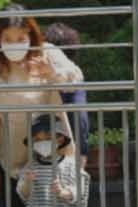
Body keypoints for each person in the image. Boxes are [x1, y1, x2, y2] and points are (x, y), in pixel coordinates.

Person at [0, 6, 81, 207]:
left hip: (55, 159)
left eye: (21, 37)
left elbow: (76, 79)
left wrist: (52, 73)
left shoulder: (47, 53)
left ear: (31, 35)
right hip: (13, 163)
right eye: (8, 38)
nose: (15, 44)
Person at [16, 114, 87, 207]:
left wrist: (63, 192)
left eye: (48, 138)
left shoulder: (70, 165)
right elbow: (23, 194)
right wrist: (27, 183)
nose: (42, 143)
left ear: (60, 139)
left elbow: (79, 191)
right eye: (37, 140)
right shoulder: (30, 166)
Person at [44, 23, 89, 174]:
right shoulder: (76, 74)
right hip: (70, 149)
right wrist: (82, 152)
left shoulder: (49, 72)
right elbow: (81, 118)